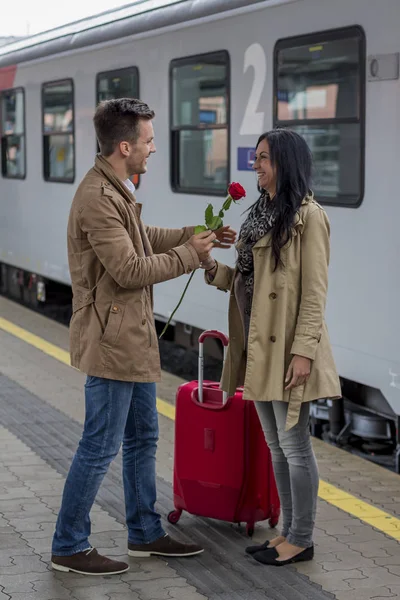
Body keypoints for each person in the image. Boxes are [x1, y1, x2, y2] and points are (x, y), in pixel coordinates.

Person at [51, 98, 236, 576]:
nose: (154, 149)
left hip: (131, 338)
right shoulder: (97, 197)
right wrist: (192, 256)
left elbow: (145, 236)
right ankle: (68, 544)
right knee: (100, 445)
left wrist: (200, 233)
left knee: (142, 438)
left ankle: (145, 533)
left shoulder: (116, 188)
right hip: (112, 341)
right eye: (149, 142)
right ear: (125, 145)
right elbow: (130, 269)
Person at [201, 129, 341, 567]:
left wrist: (304, 351)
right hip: (257, 346)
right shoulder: (259, 213)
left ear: (285, 162)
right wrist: (208, 265)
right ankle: (286, 532)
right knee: (276, 445)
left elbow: (315, 291)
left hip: (286, 349)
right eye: (256, 157)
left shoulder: (308, 216)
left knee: (296, 445)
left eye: (264, 158)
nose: (256, 165)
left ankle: (302, 537)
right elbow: (245, 283)